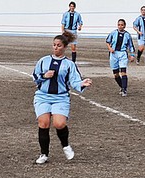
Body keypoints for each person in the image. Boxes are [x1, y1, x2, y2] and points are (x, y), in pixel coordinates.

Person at [32, 31, 92, 164]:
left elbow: (75, 81)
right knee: (44, 123)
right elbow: (35, 77)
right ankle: (44, 154)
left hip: (60, 97)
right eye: (54, 45)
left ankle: (65, 145)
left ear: (65, 47)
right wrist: (44, 76)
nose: (55, 47)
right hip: (42, 96)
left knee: (59, 124)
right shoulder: (43, 61)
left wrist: (82, 83)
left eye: (58, 45)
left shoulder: (69, 65)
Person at [106, 19, 135, 97]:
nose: (120, 26)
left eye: (122, 25)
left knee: (123, 72)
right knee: (116, 74)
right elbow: (107, 42)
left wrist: (132, 55)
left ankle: (124, 90)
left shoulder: (127, 35)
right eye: (119, 25)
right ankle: (122, 87)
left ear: (124, 26)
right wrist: (110, 48)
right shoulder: (113, 33)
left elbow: (131, 45)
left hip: (123, 54)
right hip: (114, 54)